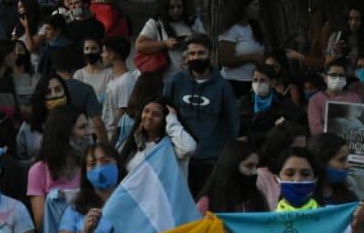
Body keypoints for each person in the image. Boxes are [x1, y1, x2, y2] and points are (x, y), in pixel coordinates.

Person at [163, 34, 239, 195]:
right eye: (192, 54)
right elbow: (164, 112)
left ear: (210, 55)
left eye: (200, 53)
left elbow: (232, 124)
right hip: (179, 158)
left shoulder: (223, 87)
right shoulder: (176, 82)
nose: (196, 57)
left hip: (210, 160)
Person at [52, 142, 126, 233]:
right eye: (92, 165)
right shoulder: (75, 210)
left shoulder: (134, 201)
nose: (99, 168)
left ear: (118, 165)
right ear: (85, 173)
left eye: (105, 161)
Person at [27, 107, 90, 233]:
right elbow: (40, 225)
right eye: (82, 127)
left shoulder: (89, 168)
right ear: (65, 133)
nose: (88, 133)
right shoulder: (38, 171)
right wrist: (58, 201)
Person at [135, 0, 204, 79]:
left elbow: (205, 42)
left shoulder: (193, 22)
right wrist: (164, 44)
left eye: (179, 7)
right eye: (171, 7)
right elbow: (139, 46)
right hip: (166, 78)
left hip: (191, 76)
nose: (176, 11)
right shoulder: (156, 23)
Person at [122, 98, 196, 175]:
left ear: (166, 119)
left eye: (156, 114)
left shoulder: (173, 145)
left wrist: (173, 121)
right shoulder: (134, 143)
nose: (149, 117)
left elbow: (188, 149)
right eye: (146, 111)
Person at [241, 62, 307, 147]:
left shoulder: (283, 102)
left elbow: (301, 120)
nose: (258, 84)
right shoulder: (245, 102)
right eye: (255, 80)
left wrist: (286, 124)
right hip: (250, 146)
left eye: (262, 80)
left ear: (272, 83)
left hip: (275, 146)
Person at [218, 0, 266, 98]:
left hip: (253, 82)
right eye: (255, 5)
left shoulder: (255, 28)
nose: (259, 8)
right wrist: (251, 58)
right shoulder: (232, 29)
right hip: (233, 83)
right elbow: (225, 60)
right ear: (244, 7)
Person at [307, 58, 361, 136]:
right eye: (333, 75)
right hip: (326, 143)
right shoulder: (315, 100)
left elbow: (358, 124)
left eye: (341, 75)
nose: (338, 78)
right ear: (325, 78)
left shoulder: (355, 98)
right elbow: (315, 129)